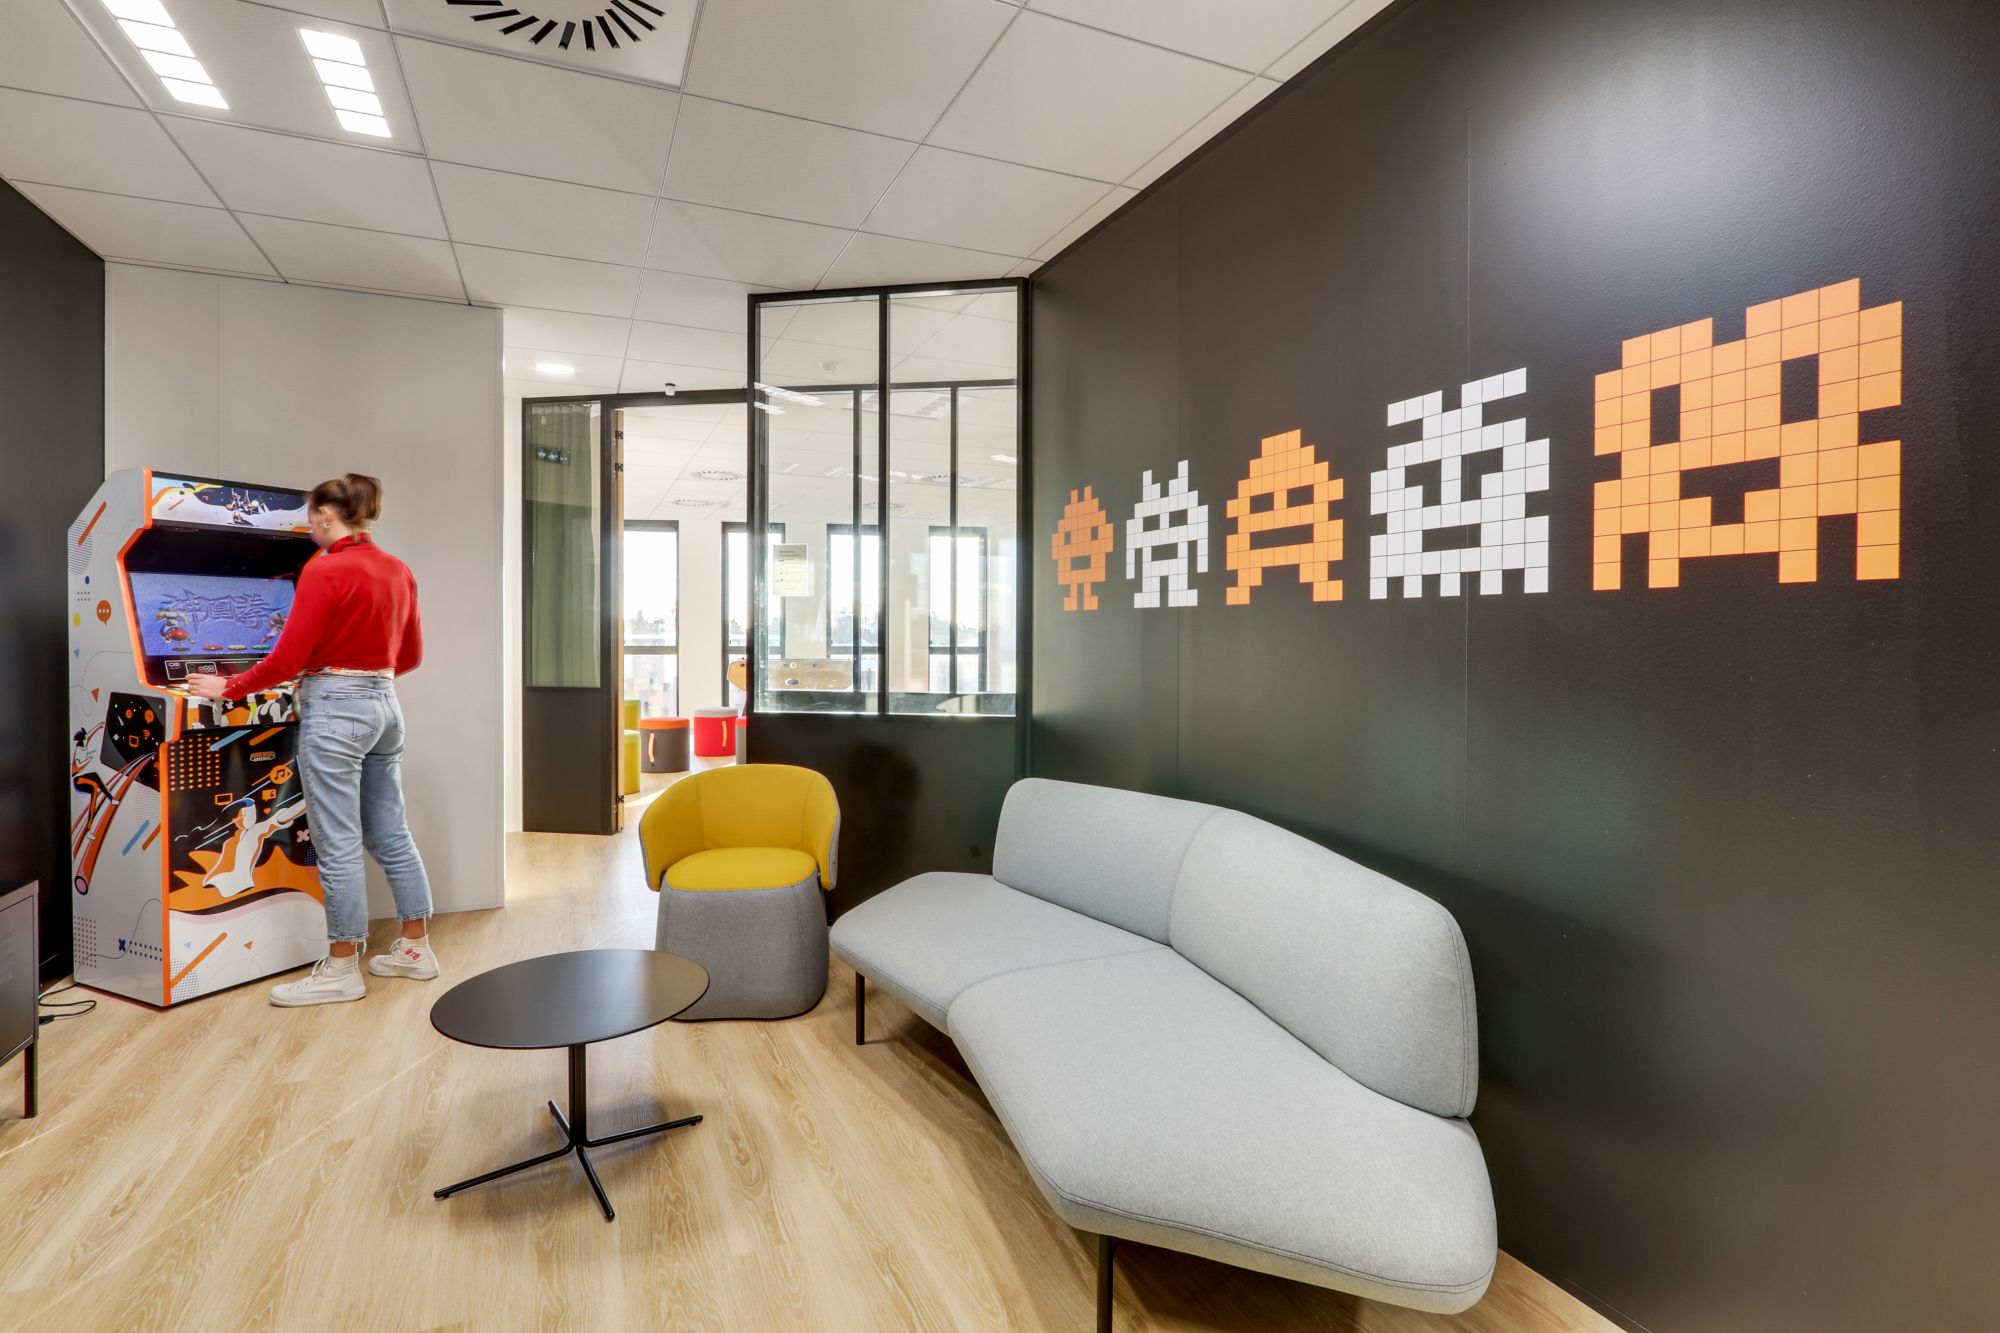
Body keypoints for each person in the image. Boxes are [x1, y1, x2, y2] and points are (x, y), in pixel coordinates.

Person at [188, 473, 440, 1006]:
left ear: (328, 514)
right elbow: (411, 656)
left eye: (310, 516)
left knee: (338, 842)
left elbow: (287, 659)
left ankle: (342, 968)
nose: (308, 526)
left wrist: (228, 686)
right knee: (391, 834)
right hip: (385, 707)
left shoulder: (325, 569)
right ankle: (415, 950)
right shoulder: (397, 569)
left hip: (336, 712)